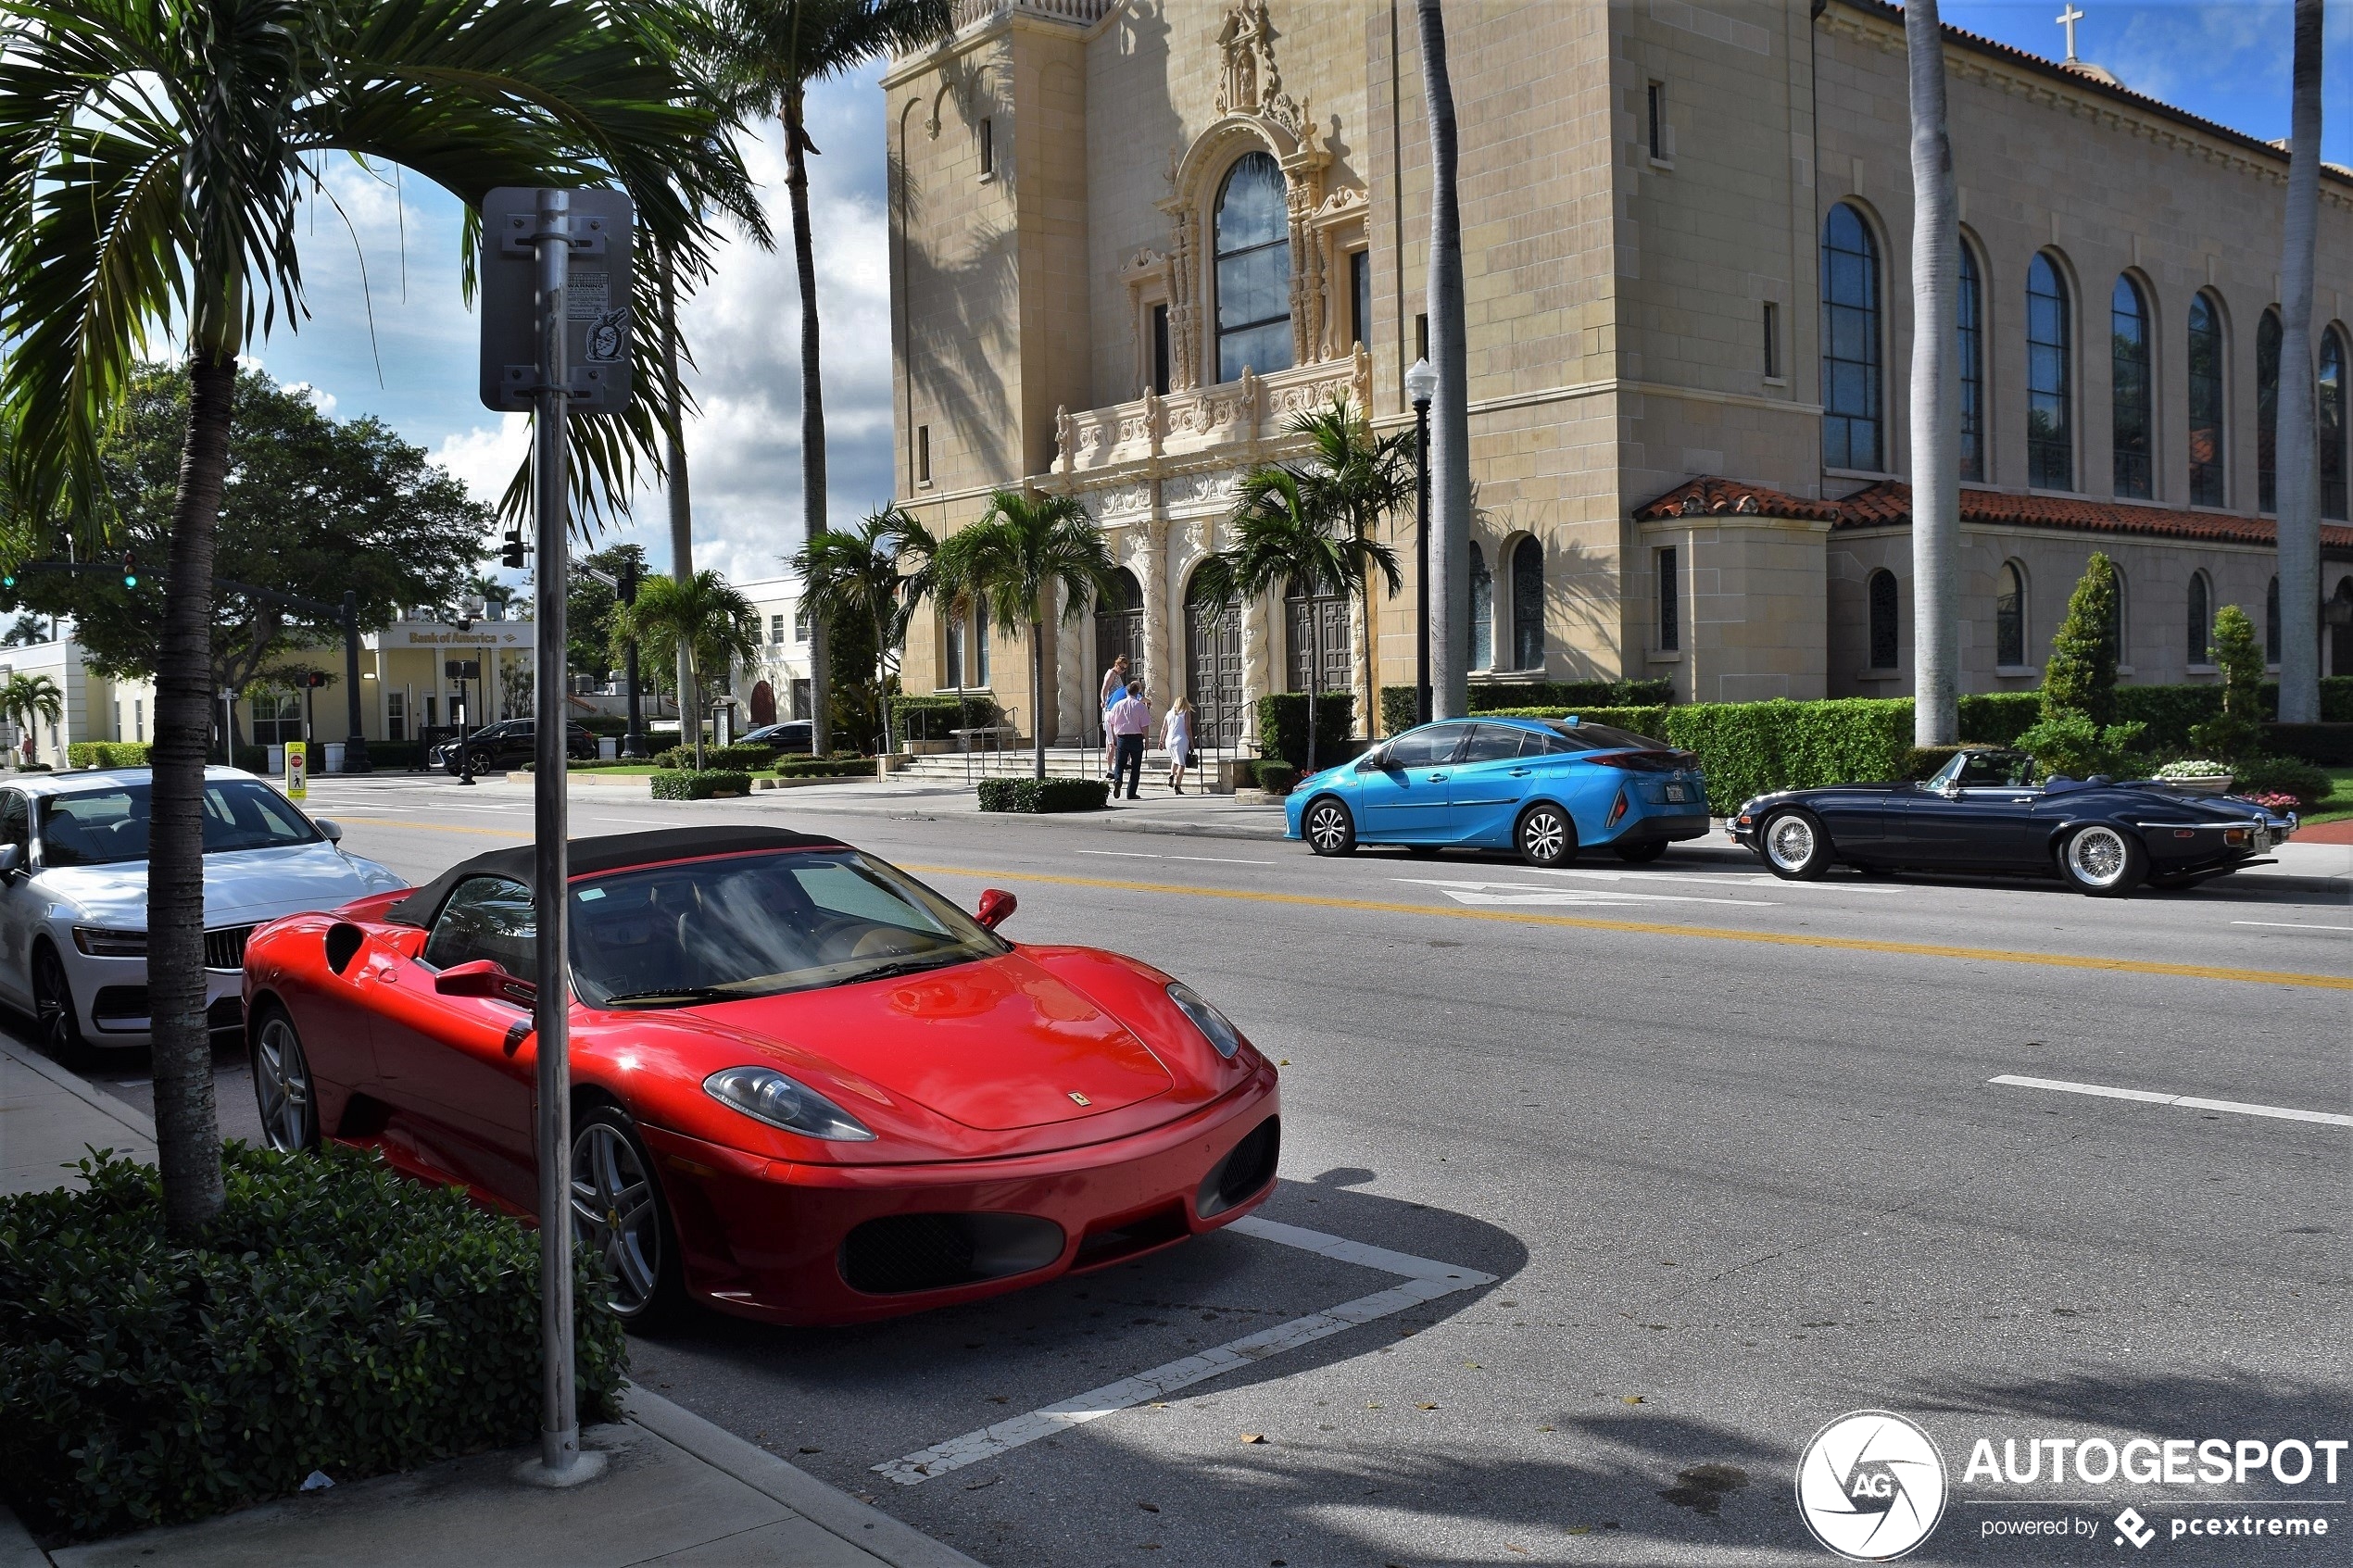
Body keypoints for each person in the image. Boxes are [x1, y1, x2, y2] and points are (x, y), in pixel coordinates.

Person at [1106, 680, 1151, 800]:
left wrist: (1113, 738)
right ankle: (1131, 793)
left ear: (1127, 691)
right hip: (1136, 738)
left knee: (1119, 764)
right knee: (1135, 767)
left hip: (1122, 738)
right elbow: (1145, 726)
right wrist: (1147, 741)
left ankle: (1118, 779)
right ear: (1137, 693)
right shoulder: (1140, 706)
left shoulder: (1118, 705)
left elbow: (1110, 722)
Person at [1099, 656, 1130, 780]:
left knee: (1116, 738)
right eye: (1121, 667)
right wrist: (1104, 701)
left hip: (1118, 708)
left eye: (1125, 669)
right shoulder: (1111, 674)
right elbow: (1104, 689)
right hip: (1111, 709)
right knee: (1111, 740)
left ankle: (1120, 764)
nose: (1123, 670)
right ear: (1116, 664)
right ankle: (1110, 768)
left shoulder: (1117, 676)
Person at [1164, 697, 1193, 794]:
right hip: (1180, 740)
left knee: (1175, 760)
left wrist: (1161, 741)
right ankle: (1178, 785)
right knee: (1182, 764)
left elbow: (1164, 728)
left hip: (1169, 740)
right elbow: (1188, 728)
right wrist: (1192, 742)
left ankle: (1172, 775)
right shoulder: (1186, 713)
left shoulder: (1169, 713)